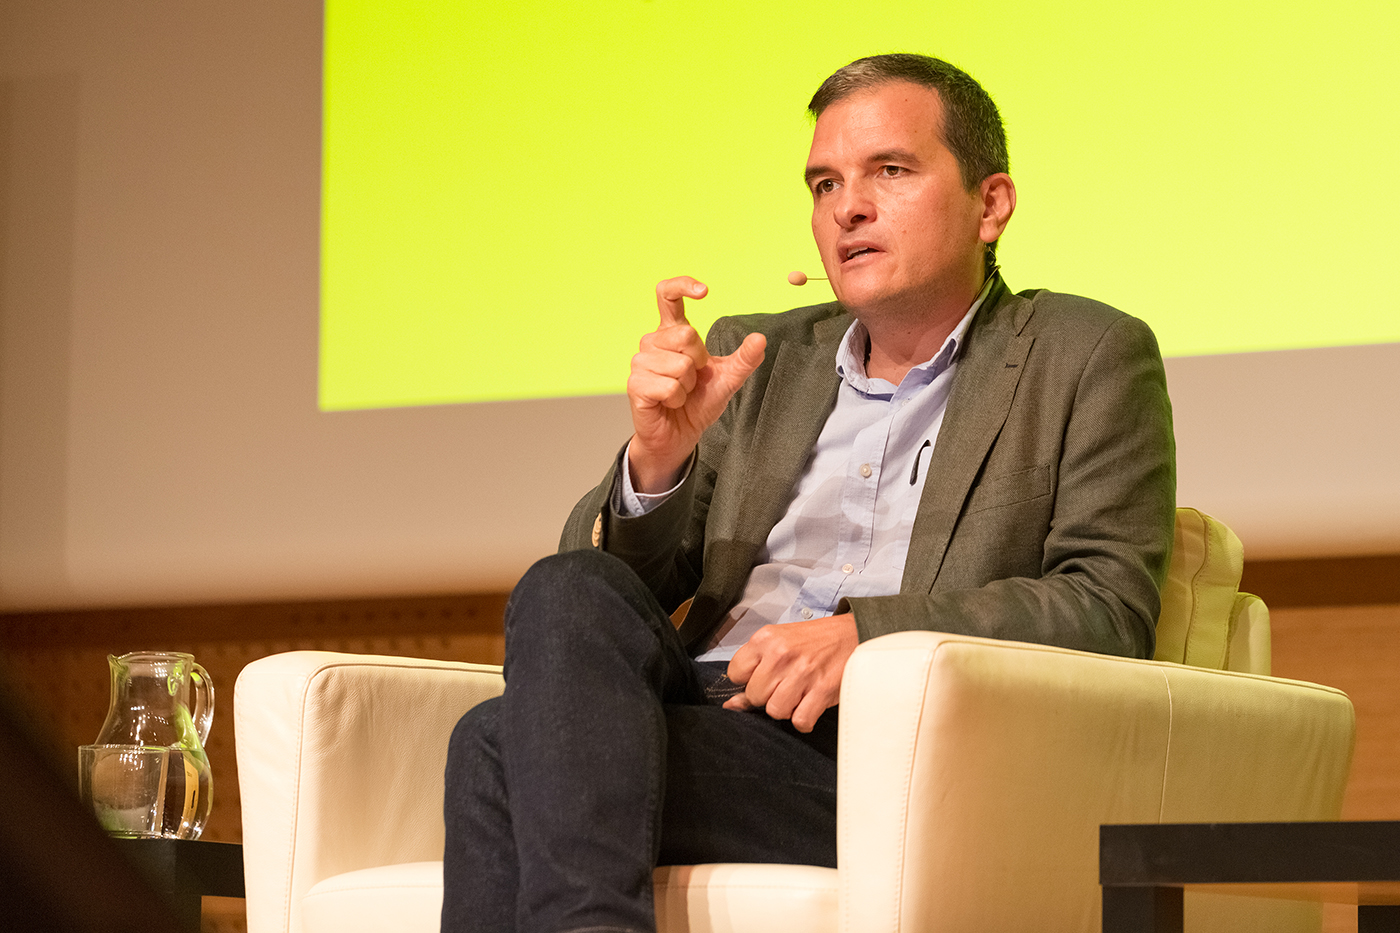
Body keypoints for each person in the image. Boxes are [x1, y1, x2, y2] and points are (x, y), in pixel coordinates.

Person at [442, 53, 1175, 933]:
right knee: (566, 586)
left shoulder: (1084, 354)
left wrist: (866, 637)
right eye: (824, 184)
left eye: (889, 172)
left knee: (491, 745)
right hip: (694, 700)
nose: (848, 208)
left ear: (991, 204)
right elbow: (618, 590)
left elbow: (1107, 608)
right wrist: (657, 458)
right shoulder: (762, 355)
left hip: (874, 749)